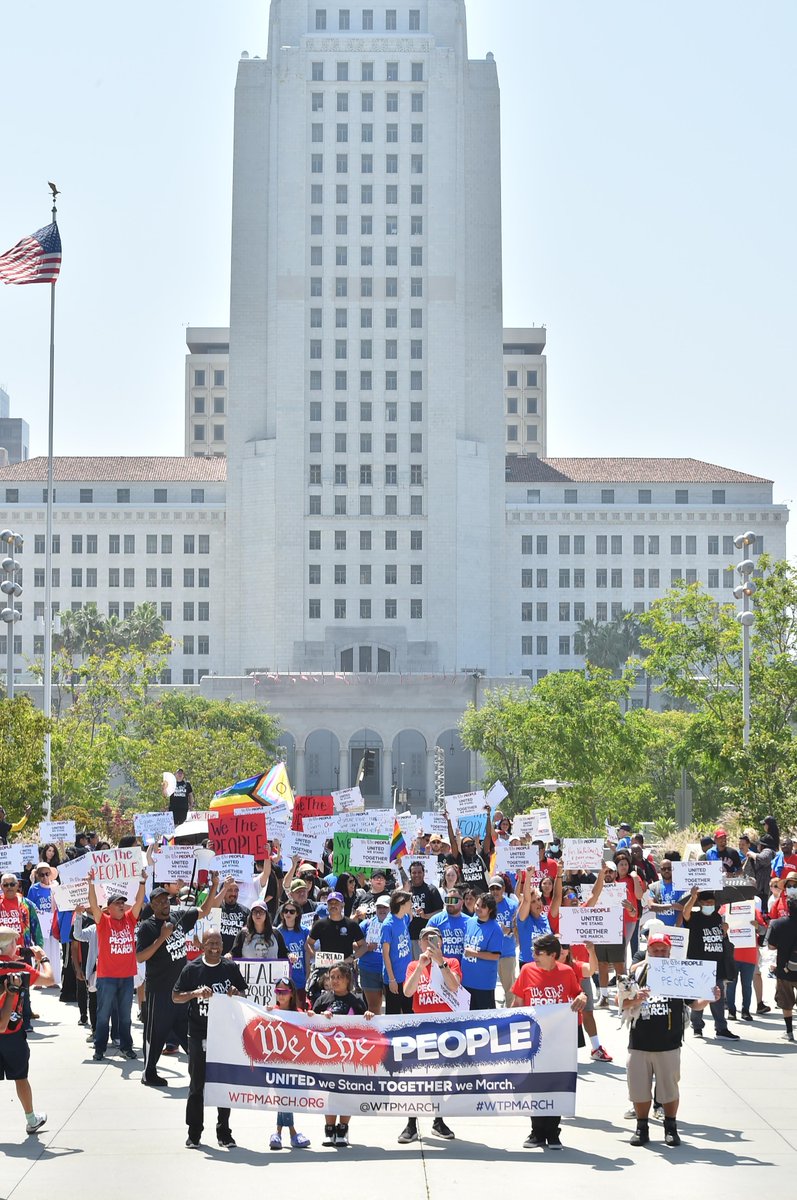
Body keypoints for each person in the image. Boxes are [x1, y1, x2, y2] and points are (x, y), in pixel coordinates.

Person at [622, 931, 721, 1148]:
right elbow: (619, 1003)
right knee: (639, 1088)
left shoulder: (679, 972)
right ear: (648, 951)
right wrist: (635, 999)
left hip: (669, 1042)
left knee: (669, 1088)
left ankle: (670, 1127)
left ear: (669, 951)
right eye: (655, 949)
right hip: (639, 1041)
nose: (659, 953)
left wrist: (708, 998)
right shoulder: (637, 973)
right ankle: (641, 1128)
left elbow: (694, 1004)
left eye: (663, 950)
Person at [136, 879, 218, 1087]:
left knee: (190, 1034)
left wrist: (214, 886)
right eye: (159, 902)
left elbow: (204, 910)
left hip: (181, 991)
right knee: (154, 1036)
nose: (164, 904)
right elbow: (140, 957)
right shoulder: (147, 927)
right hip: (160, 992)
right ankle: (148, 1073)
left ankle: (202, 1073)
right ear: (153, 906)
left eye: (166, 900)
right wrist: (162, 938)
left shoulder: (178, 917)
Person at [511, 932, 586, 1149]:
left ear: (553, 955)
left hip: (559, 1040)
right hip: (533, 1039)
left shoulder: (567, 972)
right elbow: (517, 1002)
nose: (533, 956)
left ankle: (553, 1133)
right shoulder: (527, 970)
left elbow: (578, 993)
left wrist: (582, 997)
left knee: (555, 1084)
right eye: (533, 951)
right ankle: (536, 1132)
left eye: (538, 953)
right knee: (535, 1085)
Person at [173, 930, 248, 1148]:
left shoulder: (230, 968)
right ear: (202, 945)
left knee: (223, 1084)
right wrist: (195, 993)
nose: (214, 947)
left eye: (218, 943)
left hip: (224, 1034)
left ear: (223, 946)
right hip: (199, 1033)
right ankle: (194, 1132)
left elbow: (244, 994)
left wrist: (236, 993)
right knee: (197, 1085)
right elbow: (175, 996)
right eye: (210, 943)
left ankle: (224, 1132)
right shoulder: (192, 969)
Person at [399, 926, 462, 1144]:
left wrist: (440, 963)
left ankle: (438, 1120)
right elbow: (408, 992)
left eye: (434, 938)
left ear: (441, 942)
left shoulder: (451, 962)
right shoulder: (413, 965)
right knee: (416, 1078)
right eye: (426, 939)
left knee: (441, 1079)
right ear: (420, 944)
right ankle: (411, 1124)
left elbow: (454, 987)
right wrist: (421, 966)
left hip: (445, 1030)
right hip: (421, 1029)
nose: (430, 942)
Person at [87, 867, 147, 1063]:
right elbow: (93, 904)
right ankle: (100, 1048)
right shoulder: (103, 922)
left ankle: (126, 1047)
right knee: (103, 1015)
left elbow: (139, 901)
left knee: (125, 1016)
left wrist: (142, 882)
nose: (122, 906)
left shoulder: (130, 919)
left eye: (123, 903)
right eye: (118, 903)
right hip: (107, 977)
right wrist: (91, 884)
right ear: (109, 908)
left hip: (126, 977)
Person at [312, 961, 375, 1147]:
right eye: (332, 977)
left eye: (339, 977)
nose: (335, 980)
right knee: (330, 1092)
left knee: (347, 1092)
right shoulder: (322, 1000)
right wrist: (319, 1017)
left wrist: (368, 1016)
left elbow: (366, 1027)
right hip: (327, 1057)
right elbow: (309, 1024)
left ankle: (343, 1129)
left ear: (348, 979)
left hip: (349, 1057)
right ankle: (329, 1129)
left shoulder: (357, 1001)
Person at [0, 926, 53, 1134]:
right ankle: (31, 1119)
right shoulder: (20, 969)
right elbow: (49, 979)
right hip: (12, 1034)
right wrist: (43, 958)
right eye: (15, 942)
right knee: (20, 1077)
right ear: (10, 945)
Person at [681, 888, 739, 1041]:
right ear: (700, 903)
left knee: (717, 998)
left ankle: (721, 1029)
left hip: (717, 964)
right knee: (699, 997)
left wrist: (725, 930)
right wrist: (693, 897)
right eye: (706, 903)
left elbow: (721, 939)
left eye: (711, 903)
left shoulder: (717, 917)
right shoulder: (695, 917)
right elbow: (685, 913)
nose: (709, 905)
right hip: (699, 964)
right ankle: (697, 1026)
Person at [268, 977, 311, 1149]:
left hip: (294, 1063)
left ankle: (279, 1133)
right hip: (276, 1062)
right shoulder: (271, 1011)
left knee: (286, 1097)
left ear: (291, 993)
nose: (281, 995)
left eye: (284, 991)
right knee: (283, 1096)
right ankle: (290, 1133)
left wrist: (311, 1017)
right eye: (278, 991)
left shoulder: (299, 1014)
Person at [461, 891, 503, 1009]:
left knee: (484, 1017)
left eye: (483, 907)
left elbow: (495, 955)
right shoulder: (470, 922)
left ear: (490, 910)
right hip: (466, 981)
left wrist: (474, 953)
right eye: (477, 905)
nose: (478, 908)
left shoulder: (495, 929)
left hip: (483, 984)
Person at [766, 888, 797, 1042]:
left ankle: (789, 1032)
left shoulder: (777, 924)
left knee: (786, 1002)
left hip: (784, 969)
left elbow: (771, 946)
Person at [25, 864, 62, 988]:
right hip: (40, 925)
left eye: (47, 874)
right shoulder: (34, 889)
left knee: (54, 952)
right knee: (40, 951)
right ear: (37, 875)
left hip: (54, 924)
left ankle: (52, 979)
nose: (45, 877)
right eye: (41, 874)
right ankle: (39, 980)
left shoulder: (56, 887)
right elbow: (29, 905)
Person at [308, 890, 365, 968]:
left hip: (346, 967)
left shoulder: (351, 924)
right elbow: (309, 943)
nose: (333, 905)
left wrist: (352, 958)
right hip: (326, 967)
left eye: (336, 903)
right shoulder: (319, 924)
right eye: (330, 903)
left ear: (343, 905)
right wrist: (316, 956)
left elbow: (363, 946)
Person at [381, 890, 414, 1013]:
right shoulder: (388, 925)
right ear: (401, 904)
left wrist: (406, 892)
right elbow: (385, 954)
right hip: (394, 977)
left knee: (409, 1011)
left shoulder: (404, 918)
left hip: (407, 976)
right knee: (393, 1013)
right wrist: (392, 979)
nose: (411, 904)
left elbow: (411, 916)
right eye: (409, 902)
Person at [487, 875, 520, 1000]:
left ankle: (511, 1012)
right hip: (488, 953)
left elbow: (519, 928)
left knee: (510, 989)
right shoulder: (484, 904)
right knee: (487, 989)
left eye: (497, 888)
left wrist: (509, 930)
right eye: (492, 888)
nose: (495, 891)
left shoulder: (513, 905)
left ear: (504, 889)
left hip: (507, 953)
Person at [358, 893, 391, 1014]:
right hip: (369, 969)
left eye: (385, 907)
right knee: (373, 1008)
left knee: (394, 1007)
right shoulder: (366, 924)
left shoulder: (397, 923)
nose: (382, 910)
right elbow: (353, 944)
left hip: (391, 971)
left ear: (391, 908)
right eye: (379, 907)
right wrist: (366, 947)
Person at [275, 899, 310, 1007]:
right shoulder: (277, 931)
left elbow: (307, 953)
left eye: (292, 911)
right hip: (283, 979)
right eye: (286, 911)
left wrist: (307, 973)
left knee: (299, 1010)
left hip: (300, 977)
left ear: (297, 913)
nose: (288, 914)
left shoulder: (305, 931)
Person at [407, 861, 444, 957]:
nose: (417, 875)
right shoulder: (406, 891)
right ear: (410, 874)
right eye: (414, 873)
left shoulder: (431, 890)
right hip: (408, 937)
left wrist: (426, 916)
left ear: (424, 873)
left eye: (419, 872)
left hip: (426, 937)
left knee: (427, 963)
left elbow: (440, 911)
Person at [427, 889, 469, 964]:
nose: (450, 903)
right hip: (441, 965)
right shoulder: (435, 921)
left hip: (463, 966)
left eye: (453, 900)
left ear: (462, 902)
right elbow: (426, 942)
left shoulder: (470, 922)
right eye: (447, 900)